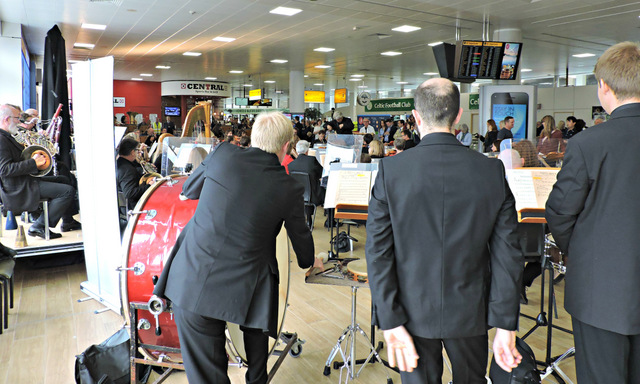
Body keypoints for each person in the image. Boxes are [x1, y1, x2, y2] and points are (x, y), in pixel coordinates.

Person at [365, 78, 523, 383]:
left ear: (416, 116)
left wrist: (390, 320)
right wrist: (506, 324)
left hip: (409, 311)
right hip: (470, 310)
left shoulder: (391, 171)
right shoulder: (490, 171)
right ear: (459, 115)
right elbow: (508, 254)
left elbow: (378, 252)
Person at [153, 111, 321, 384]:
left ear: (253, 138)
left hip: (193, 280)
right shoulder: (288, 187)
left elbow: (189, 191)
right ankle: (257, 375)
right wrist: (313, 260)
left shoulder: (222, 154)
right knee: (264, 280)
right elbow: (302, 249)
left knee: (208, 377)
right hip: (247, 291)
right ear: (285, 147)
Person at [546, 41, 640, 384]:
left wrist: (582, 250)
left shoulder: (589, 143)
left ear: (604, 86)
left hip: (600, 292)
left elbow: (560, 211)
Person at [0, 104, 80, 239]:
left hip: (26, 179)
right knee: (67, 191)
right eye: (17, 118)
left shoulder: (8, 136)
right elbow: (4, 170)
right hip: (19, 187)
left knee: (65, 179)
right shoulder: (1, 140)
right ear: (7, 119)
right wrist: (33, 162)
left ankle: (67, 220)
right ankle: (40, 225)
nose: (20, 122)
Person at [288, 140, 325, 227]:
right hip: (314, 196)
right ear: (307, 151)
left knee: (306, 189)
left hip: (297, 196)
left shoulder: (291, 165)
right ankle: (330, 221)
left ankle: (307, 219)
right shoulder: (312, 160)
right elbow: (321, 173)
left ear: (296, 151)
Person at [116, 138, 155, 210]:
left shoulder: (120, 162)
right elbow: (130, 193)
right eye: (137, 150)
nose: (138, 152)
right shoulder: (127, 169)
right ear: (132, 152)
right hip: (136, 207)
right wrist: (149, 186)